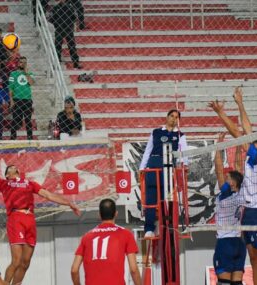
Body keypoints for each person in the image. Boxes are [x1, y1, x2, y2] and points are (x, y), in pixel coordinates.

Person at [208, 87, 257, 285]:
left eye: (254, 143)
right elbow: (244, 135)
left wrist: (228, 110)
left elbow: (240, 133)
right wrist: (238, 104)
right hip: (246, 213)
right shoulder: (251, 158)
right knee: (255, 260)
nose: (251, 143)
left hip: (256, 212)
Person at [0, 164, 81, 285]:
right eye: (10, 167)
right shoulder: (3, 184)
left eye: (15, 166)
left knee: (26, 262)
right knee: (16, 261)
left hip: (30, 219)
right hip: (16, 218)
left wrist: (68, 203)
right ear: (7, 175)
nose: (14, 167)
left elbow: (48, 195)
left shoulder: (29, 183)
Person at [139, 109, 188, 238]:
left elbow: (184, 154)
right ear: (167, 117)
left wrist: (183, 166)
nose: (173, 118)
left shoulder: (180, 135)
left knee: (166, 200)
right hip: (153, 164)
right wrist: (142, 168)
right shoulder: (155, 132)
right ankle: (149, 228)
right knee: (150, 199)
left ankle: (165, 226)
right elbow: (148, 151)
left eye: (176, 117)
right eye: (171, 116)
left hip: (168, 167)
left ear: (179, 121)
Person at [71, 199, 141, 285]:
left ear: (99, 215)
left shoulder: (86, 237)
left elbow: (74, 270)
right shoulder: (126, 234)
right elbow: (133, 269)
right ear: (116, 214)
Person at [213, 133, 246, 285]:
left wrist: (219, 146)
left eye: (228, 179)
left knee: (224, 283)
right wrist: (239, 143)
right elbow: (239, 166)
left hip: (225, 243)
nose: (225, 179)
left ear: (232, 184)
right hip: (239, 244)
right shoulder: (242, 193)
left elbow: (218, 168)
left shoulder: (225, 194)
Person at [49, 0, 82, 69]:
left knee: (72, 46)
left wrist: (70, 25)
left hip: (68, 29)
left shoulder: (70, 7)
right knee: (57, 46)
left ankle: (76, 63)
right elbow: (51, 18)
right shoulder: (55, 8)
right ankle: (57, 62)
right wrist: (57, 24)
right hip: (59, 29)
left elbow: (75, 17)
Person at [9, 56, 34, 140]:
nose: (23, 64)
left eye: (25, 62)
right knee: (15, 120)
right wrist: (11, 100)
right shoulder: (13, 74)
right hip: (17, 99)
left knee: (28, 120)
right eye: (21, 62)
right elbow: (10, 88)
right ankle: (12, 138)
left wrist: (26, 73)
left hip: (27, 100)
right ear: (18, 63)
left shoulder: (29, 73)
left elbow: (31, 83)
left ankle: (30, 138)